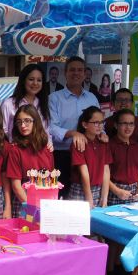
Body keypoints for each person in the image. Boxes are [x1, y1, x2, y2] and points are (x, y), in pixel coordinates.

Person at [49, 56, 102, 196]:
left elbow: (99, 122)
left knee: (85, 197)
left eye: (80, 70)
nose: (76, 73)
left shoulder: (92, 98)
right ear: (65, 73)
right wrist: (73, 133)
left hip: (89, 155)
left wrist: (103, 133)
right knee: (61, 197)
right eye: (72, 70)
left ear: (85, 74)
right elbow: (51, 128)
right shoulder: (54, 98)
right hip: (62, 155)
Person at [6, 104, 54, 218]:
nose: (23, 125)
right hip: (24, 202)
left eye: (27, 121)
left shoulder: (47, 148)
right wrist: (32, 209)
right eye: (19, 122)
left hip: (45, 202)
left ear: (35, 121)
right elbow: (16, 186)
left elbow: (51, 179)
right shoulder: (15, 150)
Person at [67, 106, 112, 208]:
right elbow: (84, 172)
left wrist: (104, 197)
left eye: (102, 122)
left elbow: (106, 170)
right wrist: (89, 198)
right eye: (96, 123)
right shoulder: (79, 142)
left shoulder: (103, 142)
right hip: (80, 189)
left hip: (98, 189)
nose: (100, 126)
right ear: (85, 124)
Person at [1, 64, 50, 138]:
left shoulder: (42, 104)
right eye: (31, 79)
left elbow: (46, 131)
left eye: (39, 80)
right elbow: (3, 130)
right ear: (23, 80)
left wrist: (49, 141)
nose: (35, 83)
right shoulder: (8, 104)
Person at [107, 109, 138, 206]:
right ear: (116, 125)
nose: (128, 127)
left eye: (131, 124)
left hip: (134, 192)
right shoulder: (109, 146)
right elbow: (104, 175)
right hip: (114, 191)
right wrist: (117, 191)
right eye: (124, 123)